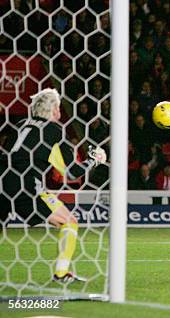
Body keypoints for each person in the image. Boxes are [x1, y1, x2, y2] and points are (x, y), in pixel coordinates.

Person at [0, 88, 107, 283]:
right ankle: (61, 273)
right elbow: (73, 173)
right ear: (55, 109)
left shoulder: (20, 124)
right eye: (58, 107)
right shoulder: (53, 131)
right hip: (25, 185)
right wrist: (94, 160)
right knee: (70, 221)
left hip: (2, 180)